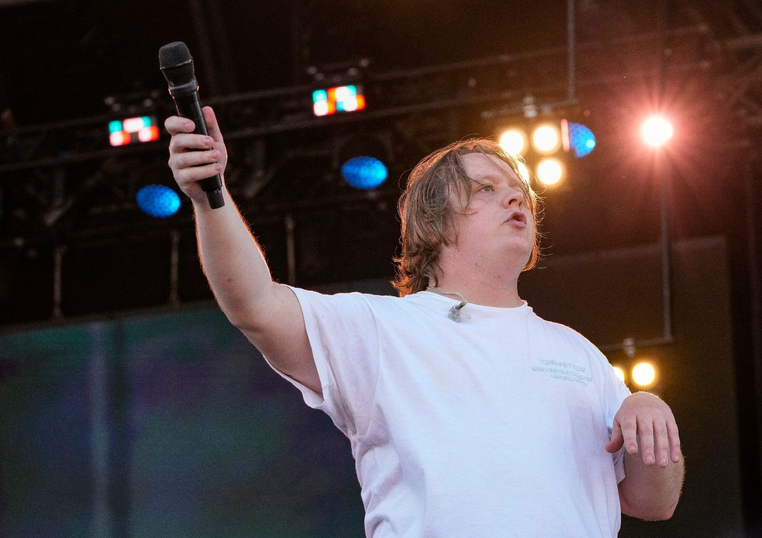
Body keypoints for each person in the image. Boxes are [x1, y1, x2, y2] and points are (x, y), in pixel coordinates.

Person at [166, 107, 685, 538]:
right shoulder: (379, 328)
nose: (514, 197)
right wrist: (210, 198)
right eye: (486, 189)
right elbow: (255, 304)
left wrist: (649, 409)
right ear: (432, 223)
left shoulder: (579, 354)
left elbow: (652, 501)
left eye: (518, 191)